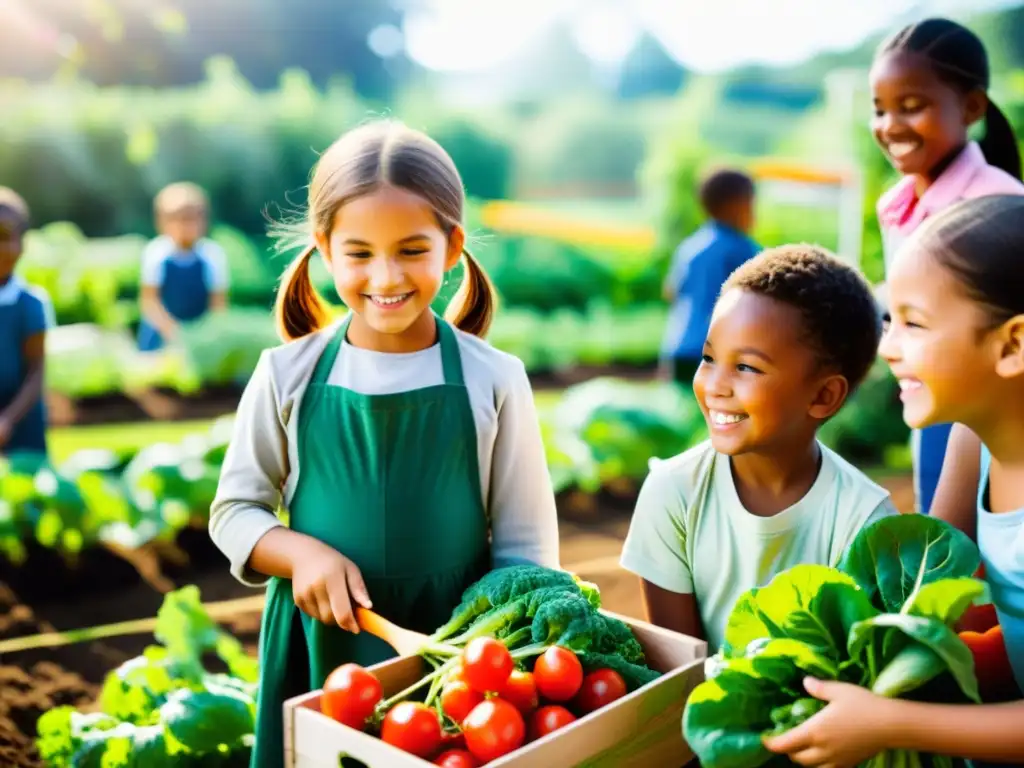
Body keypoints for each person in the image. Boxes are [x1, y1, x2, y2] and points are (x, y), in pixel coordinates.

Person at [208, 120, 561, 768]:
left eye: (411, 249)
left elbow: (526, 549)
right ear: (324, 249)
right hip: (322, 648)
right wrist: (299, 554)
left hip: (455, 652)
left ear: (452, 247)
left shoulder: (494, 377)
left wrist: (500, 664)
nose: (386, 275)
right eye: (360, 252)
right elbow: (234, 512)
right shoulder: (286, 373)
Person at [764, 195, 1024, 767]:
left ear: (1012, 345)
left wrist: (891, 722)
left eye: (914, 323)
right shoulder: (971, 442)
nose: (887, 348)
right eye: (890, 319)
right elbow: (923, 595)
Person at [621, 244, 897, 653]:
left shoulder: (864, 521)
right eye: (709, 357)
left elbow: (855, 676)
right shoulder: (673, 492)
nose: (714, 384)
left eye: (746, 367)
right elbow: (680, 670)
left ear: (823, 396)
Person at [870, 17, 1024, 516]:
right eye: (880, 109)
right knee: (939, 517)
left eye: (912, 107)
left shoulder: (999, 204)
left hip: (991, 406)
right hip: (928, 389)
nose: (891, 125)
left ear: (972, 106)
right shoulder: (895, 206)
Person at [660, 168, 760, 387]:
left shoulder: (690, 246)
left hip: (679, 346)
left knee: (687, 416)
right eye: (751, 205)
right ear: (736, 205)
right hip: (717, 354)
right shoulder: (741, 249)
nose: (755, 214)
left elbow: (670, 292)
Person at [137, 181, 229, 352]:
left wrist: (204, 335)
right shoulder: (156, 253)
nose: (187, 226)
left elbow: (218, 305)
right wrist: (173, 332)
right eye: (179, 219)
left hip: (199, 335)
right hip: (160, 333)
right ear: (162, 222)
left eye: (193, 219)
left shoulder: (212, 255)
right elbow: (149, 302)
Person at [0, 188, 54, 457]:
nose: (7, 248)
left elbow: (36, 370)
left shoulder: (32, 303)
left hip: (23, 426)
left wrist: (7, 420)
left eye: (13, 237)